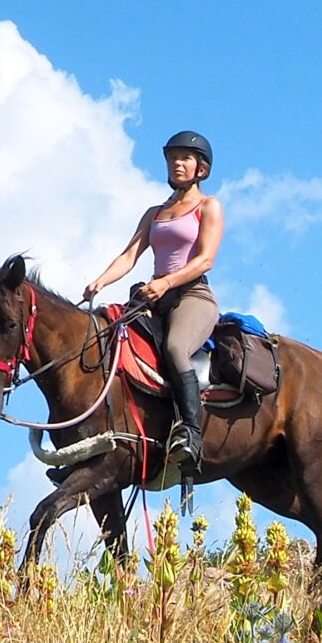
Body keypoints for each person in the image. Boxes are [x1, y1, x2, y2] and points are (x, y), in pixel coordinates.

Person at [83, 130, 225, 480]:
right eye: (172, 157)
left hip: (192, 296)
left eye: (185, 158)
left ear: (201, 169)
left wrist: (164, 282)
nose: (177, 163)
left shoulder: (209, 206)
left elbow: (205, 260)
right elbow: (130, 254)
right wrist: (101, 281)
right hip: (153, 299)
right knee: (111, 340)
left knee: (176, 347)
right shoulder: (154, 213)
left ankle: (190, 433)